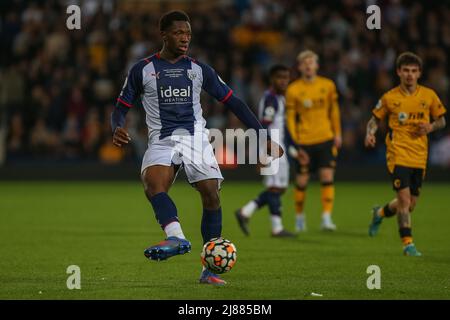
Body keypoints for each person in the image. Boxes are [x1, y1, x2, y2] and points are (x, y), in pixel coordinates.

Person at [110, 11, 283, 286]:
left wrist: (262, 137)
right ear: (163, 34)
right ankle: (176, 236)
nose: (185, 38)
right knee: (153, 183)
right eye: (179, 33)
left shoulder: (199, 69)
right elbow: (120, 108)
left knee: (211, 194)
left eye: (188, 34)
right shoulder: (141, 69)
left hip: (195, 138)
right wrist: (117, 126)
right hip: (162, 139)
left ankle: (209, 270)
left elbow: (234, 102)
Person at [366, 52, 446, 256]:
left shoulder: (428, 96)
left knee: (409, 205)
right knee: (403, 200)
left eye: (413, 71)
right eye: (406, 71)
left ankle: (380, 213)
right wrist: (370, 133)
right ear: (399, 72)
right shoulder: (390, 98)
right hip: (398, 154)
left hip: (419, 156)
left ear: (419, 73)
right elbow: (374, 119)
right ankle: (408, 244)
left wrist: (430, 127)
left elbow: (442, 121)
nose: (410, 75)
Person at [235, 65, 307, 237]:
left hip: (279, 148)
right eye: (280, 77)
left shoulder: (280, 99)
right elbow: (264, 125)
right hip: (271, 148)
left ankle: (246, 211)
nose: (284, 81)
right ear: (272, 79)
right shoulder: (270, 100)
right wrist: (263, 153)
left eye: (286, 77)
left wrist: (296, 150)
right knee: (275, 188)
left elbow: (285, 130)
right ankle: (276, 228)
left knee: (279, 188)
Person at [286, 50, 341, 232]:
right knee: (302, 181)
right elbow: (291, 118)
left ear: (317, 65)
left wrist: (337, 134)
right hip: (305, 141)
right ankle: (300, 217)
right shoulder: (293, 89)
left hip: (325, 138)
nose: (308, 66)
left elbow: (334, 111)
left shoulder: (328, 85)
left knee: (327, 177)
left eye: (311, 62)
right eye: (305, 63)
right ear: (300, 67)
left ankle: (326, 217)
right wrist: (294, 142)